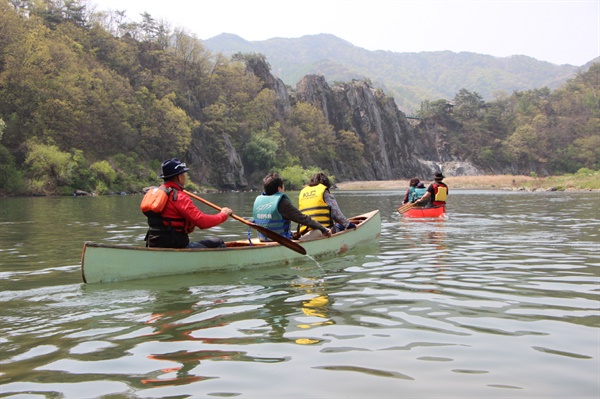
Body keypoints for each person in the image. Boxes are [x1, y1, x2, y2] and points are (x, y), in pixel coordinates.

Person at [143, 158, 233, 248]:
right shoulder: (179, 197)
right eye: (183, 174)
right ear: (179, 177)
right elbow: (202, 222)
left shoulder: (156, 195)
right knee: (219, 244)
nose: (184, 177)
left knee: (216, 242)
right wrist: (223, 215)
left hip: (154, 245)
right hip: (176, 247)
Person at [253, 173, 331, 241]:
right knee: (317, 232)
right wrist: (324, 229)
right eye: (283, 186)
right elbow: (302, 219)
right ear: (279, 188)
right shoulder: (282, 202)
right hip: (282, 241)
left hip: (263, 239)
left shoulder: (259, 201)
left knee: (294, 233)